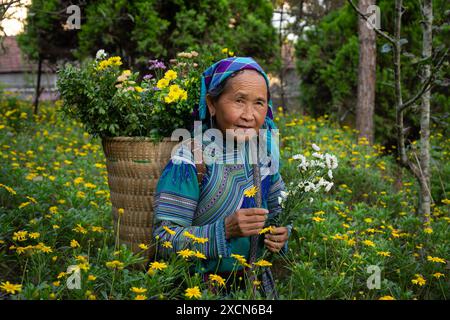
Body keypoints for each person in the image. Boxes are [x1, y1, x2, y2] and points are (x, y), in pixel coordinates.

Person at [152, 57, 291, 295]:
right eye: (239, 100)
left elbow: (281, 216)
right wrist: (223, 230)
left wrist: (282, 235)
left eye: (259, 103)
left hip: (253, 288)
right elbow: (164, 238)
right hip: (196, 289)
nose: (249, 115)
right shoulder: (190, 159)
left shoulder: (265, 155)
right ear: (212, 103)